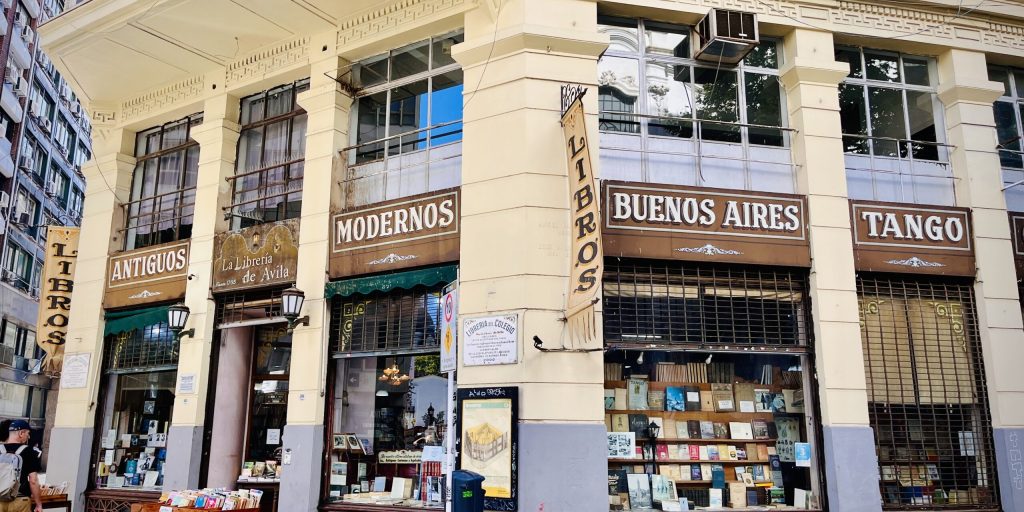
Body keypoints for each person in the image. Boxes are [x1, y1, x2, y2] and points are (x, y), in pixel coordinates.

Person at [0, 420, 42, 512]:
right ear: (21, 433)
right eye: (28, 433)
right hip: (20, 500)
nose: (29, 436)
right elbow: (33, 480)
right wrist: (38, 504)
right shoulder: (29, 451)